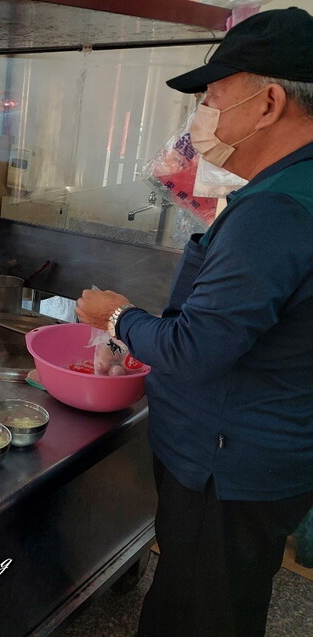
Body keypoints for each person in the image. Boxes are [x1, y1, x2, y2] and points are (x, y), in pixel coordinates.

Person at [75, 8, 313, 637]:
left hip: (228, 462)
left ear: (269, 103)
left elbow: (195, 349)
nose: (202, 117)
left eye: (212, 98)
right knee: (220, 600)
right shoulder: (294, 186)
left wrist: (115, 315)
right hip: (270, 448)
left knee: (198, 613)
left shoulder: (276, 210)